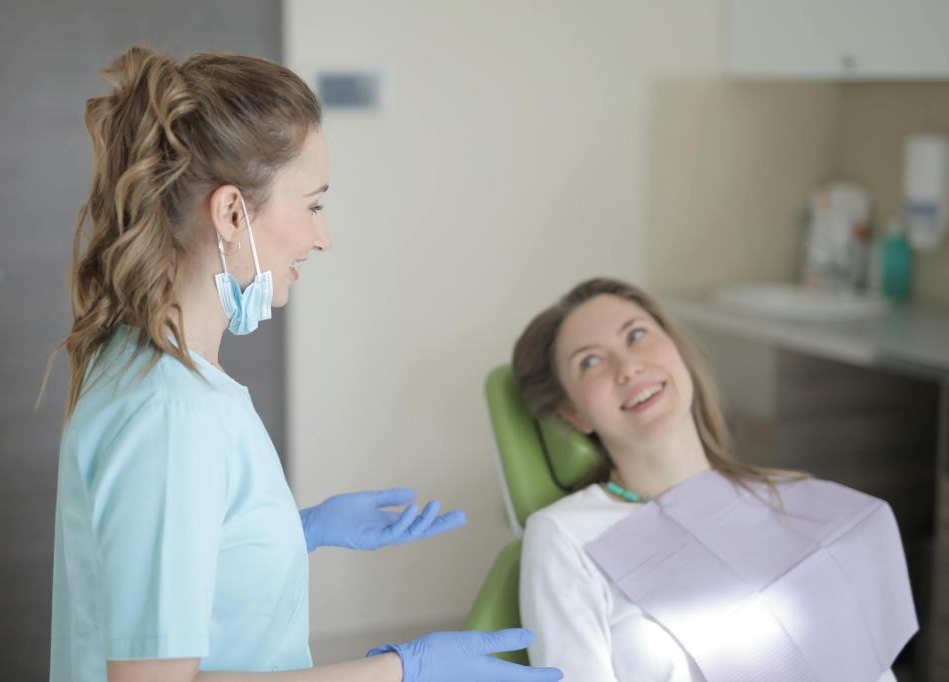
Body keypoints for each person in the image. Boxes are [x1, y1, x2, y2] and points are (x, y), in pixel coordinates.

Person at [49, 46, 563, 682]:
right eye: (314, 204)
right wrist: (402, 671)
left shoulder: (144, 364)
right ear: (232, 213)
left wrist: (295, 531)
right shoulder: (172, 414)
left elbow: (165, 554)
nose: (323, 237)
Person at [512, 277, 915, 681]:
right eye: (589, 362)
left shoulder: (789, 503)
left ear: (677, 349)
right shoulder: (567, 537)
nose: (628, 368)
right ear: (573, 413)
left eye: (636, 335)